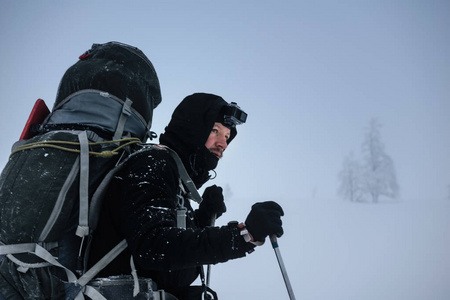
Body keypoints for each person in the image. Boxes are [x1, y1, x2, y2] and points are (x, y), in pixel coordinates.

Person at [87, 92, 285, 299]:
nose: (223, 144)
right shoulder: (154, 163)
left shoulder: (176, 179)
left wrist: (203, 216)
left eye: (227, 137)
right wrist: (243, 235)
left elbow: (171, 252)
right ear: (192, 129)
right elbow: (154, 246)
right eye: (215, 130)